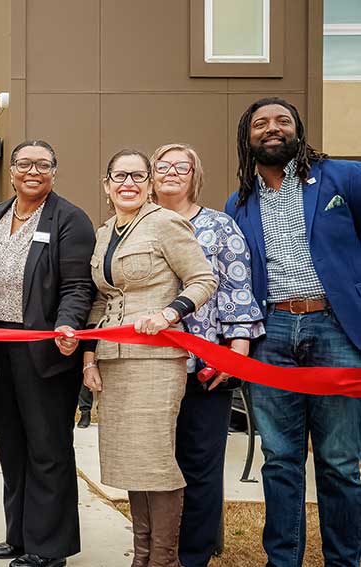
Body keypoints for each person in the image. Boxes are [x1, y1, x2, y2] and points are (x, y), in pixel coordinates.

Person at [225, 97, 361, 567]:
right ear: (247, 137)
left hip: (336, 328)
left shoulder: (344, 178)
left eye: (282, 120)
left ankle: (345, 561)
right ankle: (283, 560)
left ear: (298, 130)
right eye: (260, 123)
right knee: (280, 458)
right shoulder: (239, 203)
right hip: (272, 333)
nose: (272, 128)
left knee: (339, 460)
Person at [81, 149, 217, 567]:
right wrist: (89, 358)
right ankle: (141, 557)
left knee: (155, 460)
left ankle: (163, 559)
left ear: (149, 183)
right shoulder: (104, 233)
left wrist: (170, 313)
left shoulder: (164, 223)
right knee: (132, 461)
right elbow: (100, 301)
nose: (129, 184)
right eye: (120, 176)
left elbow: (203, 279)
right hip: (114, 360)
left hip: (156, 360)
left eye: (138, 176)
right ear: (106, 185)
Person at [0, 140, 96, 567]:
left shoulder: (70, 219)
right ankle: (20, 534)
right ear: (11, 171)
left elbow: (78, 286)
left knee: (47, 445)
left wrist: (68, 325)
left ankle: (49, 546)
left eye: (43, 165)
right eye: (24, 163)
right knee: (11, 443)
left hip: (45, 346)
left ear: (54, 172)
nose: (33, 171)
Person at [150, 142, 265, 567]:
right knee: (154, 465)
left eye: (182, 166)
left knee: (199, 464)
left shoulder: (219, 226)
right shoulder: (136, 223)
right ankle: (157, 551)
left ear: (195, 176)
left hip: (204, 366)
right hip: (147, 368)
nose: (172, 172)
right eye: (163, 165)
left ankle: (193, 555)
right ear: (151, 175)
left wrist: (234, 355)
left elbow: (238, 290)